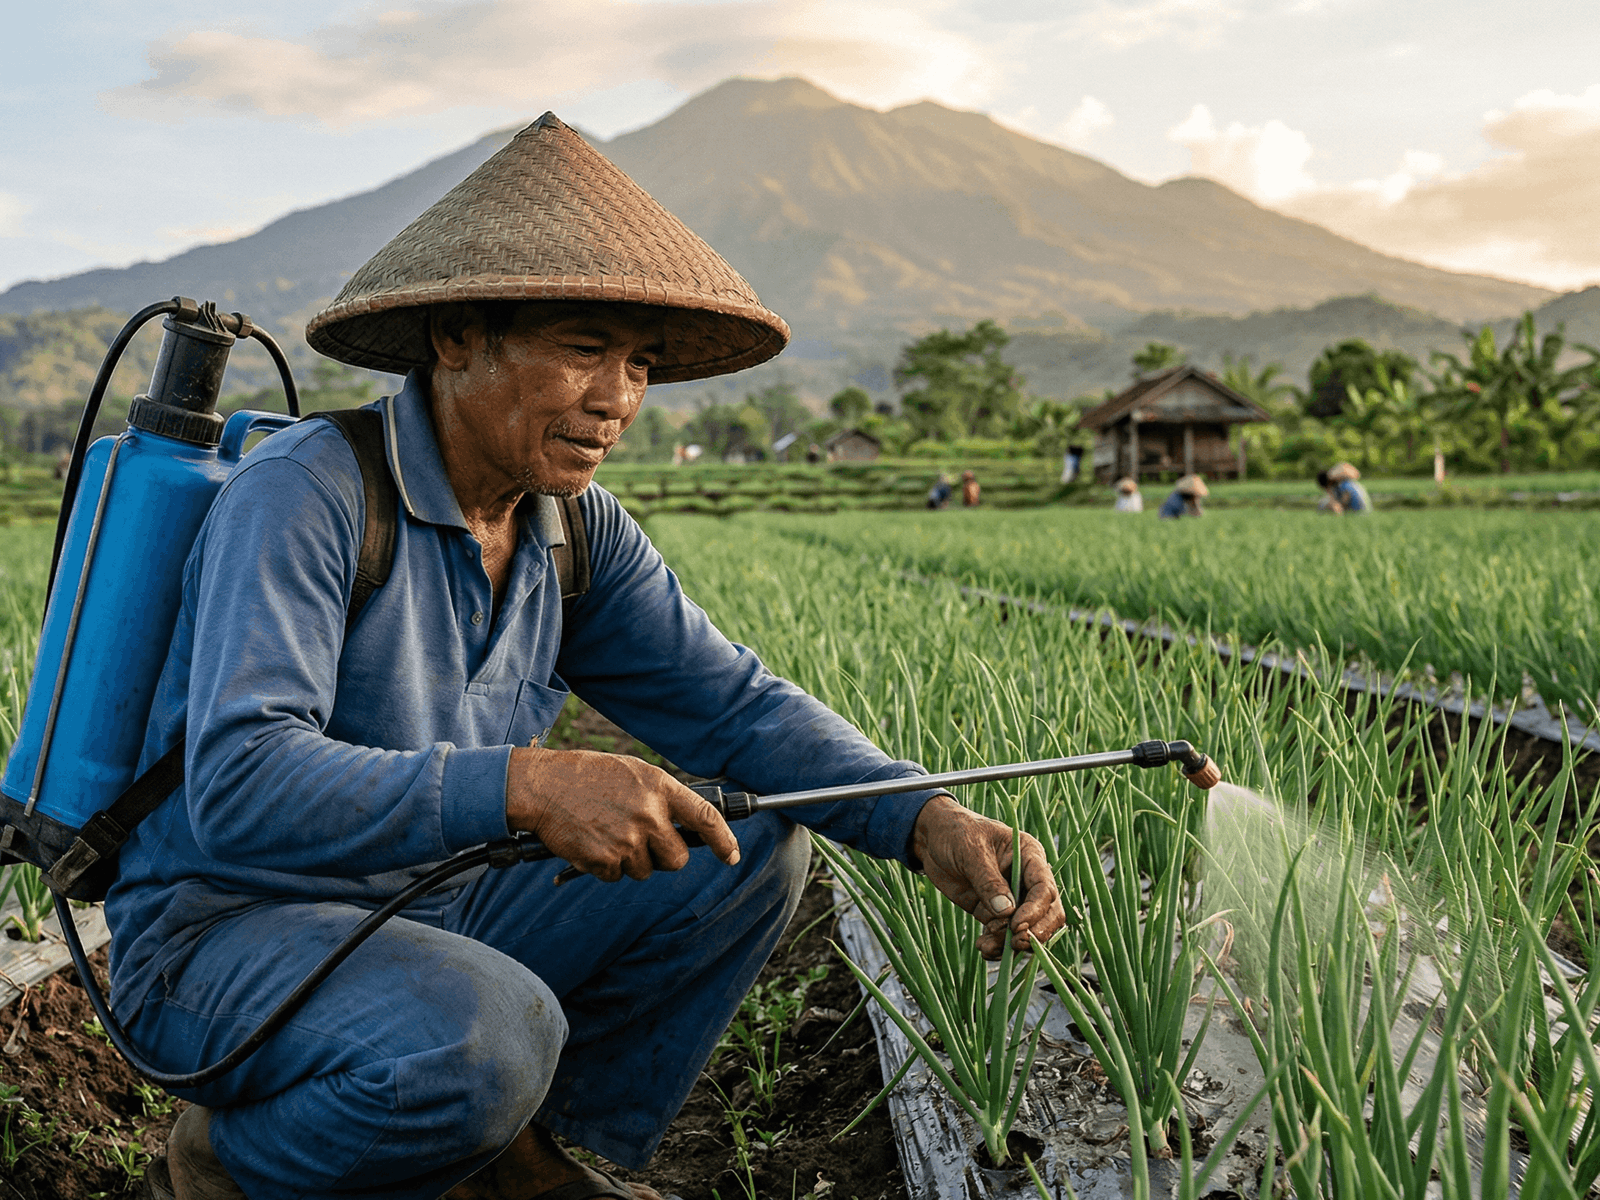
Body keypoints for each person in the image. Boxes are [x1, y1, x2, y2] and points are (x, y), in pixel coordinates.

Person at [108, 113, 1064, 1200]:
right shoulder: (309, 494)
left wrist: (924, 817)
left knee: (743, 847)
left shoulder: (572, 529)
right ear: (458, 337)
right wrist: (527, 783)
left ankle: (508, 1161)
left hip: (435, 904)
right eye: (581, 348)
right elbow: (241, 782)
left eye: (639, 364)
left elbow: (735, 707)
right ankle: (230, 1163)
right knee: (480, 1037)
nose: (616, 400)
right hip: (228, 931)